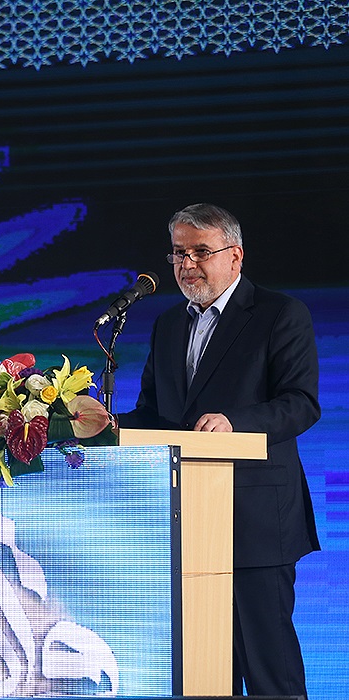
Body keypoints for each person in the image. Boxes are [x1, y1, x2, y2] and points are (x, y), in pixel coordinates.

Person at [119, 203, 320, 697]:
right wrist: (108, 426)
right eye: (178, 253)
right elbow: (154, 413)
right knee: (204, 673)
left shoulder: (279, 314)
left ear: (235, 256)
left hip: (256, 519)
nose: (187, 264)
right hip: (185, 523)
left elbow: (301, 403)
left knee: (271, 671)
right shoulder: (168, 325)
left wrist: (235, 423)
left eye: (200, 252)